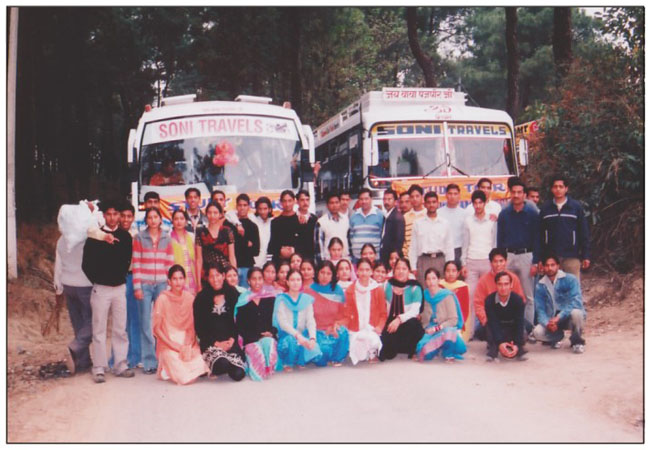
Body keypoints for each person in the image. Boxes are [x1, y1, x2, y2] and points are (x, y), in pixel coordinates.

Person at [81, 199, 133, 383]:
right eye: (109, 214)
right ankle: (99, 367)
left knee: (120, 329)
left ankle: (120, 364)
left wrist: (118, 277)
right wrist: (98, 280)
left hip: (119, 288)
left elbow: (127, 260)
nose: (112, 217)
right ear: (104, 216)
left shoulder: (125, 237)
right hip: (101, 289)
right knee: (99, 329)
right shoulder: (95, 236)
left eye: (115, 214)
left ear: (119, 216)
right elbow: (86, 264)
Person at [132, 207, 175, 375]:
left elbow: (170, 262)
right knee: (145, 322)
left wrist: (170, 286)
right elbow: (136, 263)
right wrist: (137, 286)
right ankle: (149, 361)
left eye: (155, 217)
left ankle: (163, 359)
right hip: (145, 284)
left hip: (162, 284)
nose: (153, 220)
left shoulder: (167, 238)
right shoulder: (139, 238)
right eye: (149, 217)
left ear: (160, 219)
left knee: (162, 322)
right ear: (146, 220)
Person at [152, 265, 207, 384]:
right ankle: (168, 367)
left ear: (185, 280)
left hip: (186, 341)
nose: (178, 282)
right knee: (183, 377)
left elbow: (192, 327)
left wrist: (187, 345)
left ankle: (177, 368)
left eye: (181, 278)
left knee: (202, 362)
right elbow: (157, 329)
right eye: (175, 279)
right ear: (169, 281)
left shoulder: (189, 298)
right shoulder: (162, 299)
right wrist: (174, 346)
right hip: (168, 343)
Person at [54, 213, 95, 374]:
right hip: (85, 285)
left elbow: (58, 265)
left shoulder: (61, 240)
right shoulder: (85, 239)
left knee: (78, 323)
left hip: (68, 286)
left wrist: (58, 288)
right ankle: (75, 346)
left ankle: (83, 362)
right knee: (94, 321)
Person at [497, 178, 540, 329]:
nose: (516, 195)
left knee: (528, 296)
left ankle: (527, 329)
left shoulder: (532, 214)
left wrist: (535, 262)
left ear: (524, 195)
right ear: (510, 193)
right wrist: (501, 260)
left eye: (519, 192)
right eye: (513, 192)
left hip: (526, 256)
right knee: (505, 293)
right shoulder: (504, 214)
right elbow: (500, 239)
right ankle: (508, 328)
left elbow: (537, 239)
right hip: (508, 257)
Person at [193, 264, 246, 381]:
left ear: (223, 275)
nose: (215, 279)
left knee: (239, 374)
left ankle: (227, 363)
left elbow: (240, 320)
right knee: (222, 364)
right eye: (211, 276)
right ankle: (214, 364)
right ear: (207, 278)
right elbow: (199, 328)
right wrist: (217, 344)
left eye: (217, 275)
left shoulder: (233, 294)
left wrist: (232, 339)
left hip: (230, 341)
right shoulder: (201, 298)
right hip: (211, 343)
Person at [539, 175, 591, 280]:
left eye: (561, 186)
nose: (558, 189)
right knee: (553, 286)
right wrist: (540, 257)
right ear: (551, 189)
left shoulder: (575, 207)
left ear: (566, 189)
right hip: (551, 257)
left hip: (572, 256)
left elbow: (583, 232)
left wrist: (586, 255)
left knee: (572, 286)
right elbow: (539, 235)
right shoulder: (545, 208)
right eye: (555, 186)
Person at [533, 254, 586, 353]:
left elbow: (576, 301)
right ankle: (557, 337)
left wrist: (559, 317)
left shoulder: (570, 279)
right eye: (547, 265)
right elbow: (540, 310)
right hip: (552, 319)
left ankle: (577, 341)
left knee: (577, 313)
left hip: (568, 316)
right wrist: (547, 323)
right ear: (543, 267)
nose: (550, 268)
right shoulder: (540, 285)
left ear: (558, 266)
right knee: (537, 332)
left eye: (552, 265)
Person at [234, 268, 279, 381]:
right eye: (254, 279)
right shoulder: (243, 300)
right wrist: (255, 337)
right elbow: (240, 326)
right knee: (258, 373)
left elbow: (276, 321)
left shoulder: (270, 298)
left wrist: (271, 332)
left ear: (263, 280)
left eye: (260, 278)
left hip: (267, 336)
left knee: (269, 343)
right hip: (250, 339)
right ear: (248, 281)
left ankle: (269, 366)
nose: (257, 282)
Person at [273, 269, 322, 371]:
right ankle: (288, 362)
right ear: (287, 282)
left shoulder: (306, 299)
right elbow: (283, 323)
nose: (295, 283)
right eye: (292, 280)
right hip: (287, 337)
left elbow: (310, 320)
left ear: (302, 282)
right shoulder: (281, 299)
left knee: (316, 351)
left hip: (303, 336)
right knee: (291, 341)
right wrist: (297, 336)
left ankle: (300, 358)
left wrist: (312, 338)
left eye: (298, 280)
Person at [341, 258, 387, 365]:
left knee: (372, 341)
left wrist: (379, 327)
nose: (364, 273)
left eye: (367, 270)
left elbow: (383, 314)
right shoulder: (350, 290)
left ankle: (372, 352)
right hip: (355, 329)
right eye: (361, 270)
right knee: (359, 354)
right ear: (357, 271)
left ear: (371, 271)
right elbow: (347, 313)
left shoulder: (378, 289)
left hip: (372, 328)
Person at [473, 248, 526, 339]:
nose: (498, 264)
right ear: (490, 263)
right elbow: (478, 304)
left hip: (510, 319)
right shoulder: (483, 280)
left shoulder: (513, 278)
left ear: (506, 262)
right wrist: (486, 320)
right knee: (481, 331)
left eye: (501, 261)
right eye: (495, 261)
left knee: (524, 328)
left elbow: (521, 301)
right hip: (491, 318)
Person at [416, 268, 467, 361]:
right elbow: (422, 317)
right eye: (428, 279)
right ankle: (438, 348)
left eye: (434, 278)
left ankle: (447, 352)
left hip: (445, 328)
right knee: (422, 351)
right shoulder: (424, 295)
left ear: (439, 280)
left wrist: (437, 328)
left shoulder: (447, 295)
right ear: (425, 281)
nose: (431, 282)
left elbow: (453, 320)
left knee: (448, 334)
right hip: (429, 330)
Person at [379, 257, 425, 361]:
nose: (401, 271)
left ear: (409, 271)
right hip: (391, 325)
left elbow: (415, 311)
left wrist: (399, 319)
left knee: (414, 323)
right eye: (398, 268)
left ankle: (411, 350)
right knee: (386, 354)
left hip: (408, 324)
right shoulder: (386, 285)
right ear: (393, 270)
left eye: (404, 269)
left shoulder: (415, 287)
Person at [307, 261, 350, 367]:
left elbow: (345, 316)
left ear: (333, 275)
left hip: (332, 330)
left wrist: (336, 324)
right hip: (316, 333)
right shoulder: (309, 291)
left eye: (328, 273)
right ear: (317, 273)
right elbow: (305, 320)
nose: (325, 276)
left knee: (343, 332)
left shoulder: (337, 290)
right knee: (322, 356)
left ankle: (336, 359)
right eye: (322, 272)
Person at [408, 191, 454, 287]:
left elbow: (449, 246)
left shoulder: (445, 223)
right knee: (424, 289)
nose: (431, 205)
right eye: (428, 202)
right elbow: (413, 247)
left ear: (438, 204)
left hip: (440, 261)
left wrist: (450, 266)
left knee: (441, 289)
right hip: (423, 260)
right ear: (424, 204)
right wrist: (413, 267)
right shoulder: (418, 223)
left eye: (434, 202)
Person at [461, 190, 496, 306]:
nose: (478, 206)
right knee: (470, 295)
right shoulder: (468, 221)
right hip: (471, 262)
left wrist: (494, 262)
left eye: (480, 203)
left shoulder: (492, 220)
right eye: (475, 203)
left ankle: (487, 318)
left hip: (487, 261)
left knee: (489, 295)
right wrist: (464, 264)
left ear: (485, 203)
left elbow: (494, 243)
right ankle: (471, 319)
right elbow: (465, 244)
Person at [484, 271, 527, 362]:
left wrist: (516, 344)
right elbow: (493, 322)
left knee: (525, 329)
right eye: (500, 284)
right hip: (498, 325)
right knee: (488, 328)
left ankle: (518, 348)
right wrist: (500, 343)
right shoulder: (489, 300)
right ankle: (494, 349)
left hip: (512, 325)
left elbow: (519, 323)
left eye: (506, 284)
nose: (503, 288)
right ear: (496, 285)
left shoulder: (518, 300)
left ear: (511, 285)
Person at [195, 202, 236, 282]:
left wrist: (233, 276)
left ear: (220, 214)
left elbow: (232, 257)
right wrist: (198, 283)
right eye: (209, 213)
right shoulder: (201, 232)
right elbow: (199, 260)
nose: (212, 215)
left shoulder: (227, 231)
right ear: (206, 214)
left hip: (225, 273)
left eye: (215, 213)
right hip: (208, 275)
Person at [439, 261, 472, 342]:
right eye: (448, 271)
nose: (450, 274)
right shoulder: (439, 285)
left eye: (453, 271)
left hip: (458, 319)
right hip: (442, 319)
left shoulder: (463, 286)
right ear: (444, 272)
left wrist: (459, 324)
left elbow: (465, 308)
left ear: (458, 273)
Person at [349, 188, 385, 262]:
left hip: (374, 258)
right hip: (357, 258)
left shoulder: (380, 215)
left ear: (371, 199)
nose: (364, 201)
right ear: (358, 201)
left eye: (366, 199)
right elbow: (351, 236)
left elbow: (383, 235)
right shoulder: (353, 216)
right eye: (361, 199)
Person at [233, 194, 260, 287]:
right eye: (240, 205)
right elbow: (233, 247)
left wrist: (240, 243)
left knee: (246, 294)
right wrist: (246, 243)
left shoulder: (253, 226)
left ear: (249, 207)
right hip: (233, 267)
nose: (242, 208)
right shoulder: (232, 224)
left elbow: (256, 251)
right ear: (236, 206)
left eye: (245, 205)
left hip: (247, 267)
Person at [268, 190, 302, 264]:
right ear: (280, 203)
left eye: (290, 201)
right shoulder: (275, 222)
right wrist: (280, 251)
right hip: (280, 262)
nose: (287, 204)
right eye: (284, 201)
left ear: (294, 201)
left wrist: (294, 250)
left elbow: (305, 243)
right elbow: (272, 245)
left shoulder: (300, 220)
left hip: (297, 262)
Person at [316, 192, 350, 262]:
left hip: (344, 260)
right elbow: (318, 244)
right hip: (328, 261)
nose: (334, 205)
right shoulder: (321, 222)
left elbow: (349, 239)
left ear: (340, 203)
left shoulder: (345, 219)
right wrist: (322, 262)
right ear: (327, 205)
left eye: (337, 202)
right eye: (331, 203)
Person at [170, 209, 198, 294]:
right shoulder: (168, 238)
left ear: (186, 221)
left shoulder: (192, 236)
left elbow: (197, 259)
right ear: (172, 221)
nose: (179, 221)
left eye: (181, 219)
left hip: (192, 278)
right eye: (176, 219)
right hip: (176, 280)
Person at [437, 184, 468, 263]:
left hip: (459, 250)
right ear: (446, 195)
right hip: (443, 250)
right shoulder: (438, 213)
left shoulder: (464, 214)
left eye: (455, 194)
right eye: (450, 193)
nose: (452, 196)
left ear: (459, 196)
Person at [380, 188, 405, 264]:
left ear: (395, 202)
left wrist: (395, 253)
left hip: (391, 256)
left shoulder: (397, 217)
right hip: (385, 253)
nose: (386, 202)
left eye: (389, 199)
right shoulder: (387, 215)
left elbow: (399, 239)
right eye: (384, 199)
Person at [402, 184, 427, 258]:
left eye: (417, 196)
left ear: (422, 197)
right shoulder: (405, 217)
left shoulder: (428, 215)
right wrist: (406, 256)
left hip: (426, 257)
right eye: (412, 197)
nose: (415, 199)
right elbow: (404, 241)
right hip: (410, 257)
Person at [295, 189, 318, 261]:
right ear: (297, 202)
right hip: (297, 258)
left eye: (307, 200)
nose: (305, 203)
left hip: (311, 257)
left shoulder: (314, 218)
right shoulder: (293, 218)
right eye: (302, 200)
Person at [252, 196, 273, 268]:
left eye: (265, 209)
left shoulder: (273, 222)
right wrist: (237, 224)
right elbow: (230, 214)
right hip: (255, 262)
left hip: (269, 262)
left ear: (270, 209)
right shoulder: (252, 220)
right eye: (260, 209)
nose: (262, 212)